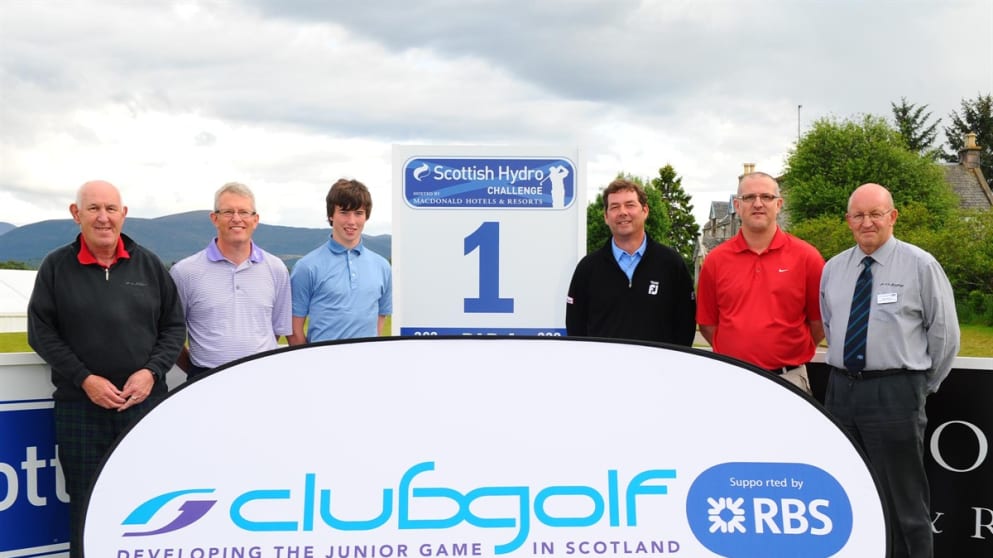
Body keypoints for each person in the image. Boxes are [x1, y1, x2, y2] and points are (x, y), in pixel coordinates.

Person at [27, 180, 185, 558]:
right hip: (81, 408)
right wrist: (85, 379)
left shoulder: (149, 264)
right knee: (86, 502)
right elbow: (41, 333)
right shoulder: (55, 267)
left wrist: (151, 372)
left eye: (111, 209)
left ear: (123, 213)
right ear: (75, 213)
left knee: (145, 502)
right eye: (93, 208)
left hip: (144, 405)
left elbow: (174, 327)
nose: (103, 217)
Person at [820, 183, 959, 558]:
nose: (867, 222)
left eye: (875, 214)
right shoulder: (833, 269)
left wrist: (916, 387)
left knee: (905, 504)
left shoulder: (921, 265)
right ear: (848, 220)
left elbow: (945, 336)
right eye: (859, 215)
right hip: (841, 392)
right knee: (850, 492)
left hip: (895, 393)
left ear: (892, 217)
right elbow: (831, 326)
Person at [696, 172, 825, 394]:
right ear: (737, 205)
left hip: (789, 380)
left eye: (766, 197)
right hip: (731, 379)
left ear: (779, 204)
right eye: (749, 198)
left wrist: (785, 352)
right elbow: (708, 325)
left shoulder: (807, 257)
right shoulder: (716, 260)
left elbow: (818, 322)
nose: (758, 204)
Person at [169, 182, 292, 378]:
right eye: (228, 212)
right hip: (205, 379)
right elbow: (171, 335)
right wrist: (196, 373)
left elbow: (275, 331)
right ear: (215, 218)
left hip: (263, 377)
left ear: (255, 219)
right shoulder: (184, 272)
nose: (236, 219)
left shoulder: (276, 269)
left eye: (244, 212)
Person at [565, 178, 695, 345]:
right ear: (606, 216)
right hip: (602, 369)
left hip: (658, 369)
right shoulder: (588, 268)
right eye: (614, 207)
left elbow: (685, 326)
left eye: (630, 205)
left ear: (645, 211)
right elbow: (576, 328)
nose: (622, 212)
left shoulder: (671, 264)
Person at [288, 178, 392, 343]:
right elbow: (293, 329)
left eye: (358, 213)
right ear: (331, 215)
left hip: (367, 364)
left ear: (366, 217)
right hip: (321, 365)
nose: (351, 221)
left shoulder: (382, 267)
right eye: (344, 212)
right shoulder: (306, 267)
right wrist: (307, 364)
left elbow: (380, 317)